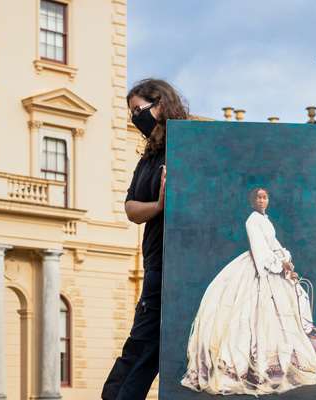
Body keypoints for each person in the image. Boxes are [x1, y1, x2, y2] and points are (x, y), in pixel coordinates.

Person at [180, 188, 316, 395]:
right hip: (259, 268)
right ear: (252, 201)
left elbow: (274, 244)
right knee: (250, 317)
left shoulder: (266, 220)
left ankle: (276, 365)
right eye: (258, 197)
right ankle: (249, 368)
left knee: (282, 315)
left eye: (265, 197)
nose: (262, 200)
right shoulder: (252, 221)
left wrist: (286, 261)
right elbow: (260, 251)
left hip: (274, 266)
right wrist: (279, 265)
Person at [102, 78, 189, 400]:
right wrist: (159, 205)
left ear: (161, 105)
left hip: (183, 264)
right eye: (132, 112)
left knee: (148, 343)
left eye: (139, 110)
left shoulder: (187, 147)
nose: (134, 118)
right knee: (146, 343)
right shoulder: (148, 158)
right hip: (157, 264)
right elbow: (131, 209)